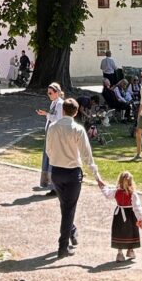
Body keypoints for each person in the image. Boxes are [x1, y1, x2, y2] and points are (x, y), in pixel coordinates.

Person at [44, 98, 106, 257]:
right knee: (69, 208)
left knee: (65, 206)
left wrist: (57, 159)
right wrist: (96, 175)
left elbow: (49, 150)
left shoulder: (53, 127)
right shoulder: (77, 129)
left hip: (57, 171)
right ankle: (63, 246)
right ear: (76, 112)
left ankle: (71, 232)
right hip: (72, 173)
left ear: (63, 110)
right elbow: (87, 155)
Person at [105, 170, 142, 262]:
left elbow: (107, 194)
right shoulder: (133, 194)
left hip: (119, 215)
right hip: (130, 215)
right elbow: (137, 207)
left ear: (119, 181)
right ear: (131, 182)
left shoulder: (115, 191)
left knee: (119, 232)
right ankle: (130, 250)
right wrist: (140, 219)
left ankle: (120, 253)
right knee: (130, 233)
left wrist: (102, 185)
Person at [36, 82, 64, 190]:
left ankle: (54, 182)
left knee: (53, 157)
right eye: (48, 93)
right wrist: (46, 115)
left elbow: (58, 119)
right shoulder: (53, 103)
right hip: (50, 133)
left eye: (50, 93)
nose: (49, 95)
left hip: (56, 134)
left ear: (57, 93)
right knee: (47, 156)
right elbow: (52, 117)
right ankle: (47, 181)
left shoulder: (60, 104)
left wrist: (46, 114)